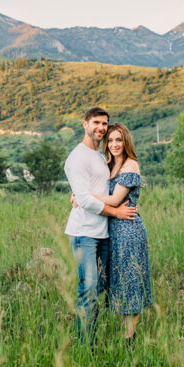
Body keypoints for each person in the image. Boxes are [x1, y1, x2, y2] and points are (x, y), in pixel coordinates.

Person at [64, 107, 137, 343]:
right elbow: (84, 198)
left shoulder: (100, 156)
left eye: (104, 123)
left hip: (103, 233)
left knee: (101, 289)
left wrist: (79, 195)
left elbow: (93, 192)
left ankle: (93, 335)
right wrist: (115, 210)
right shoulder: (78, 157)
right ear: (84, 124)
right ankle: (86, 346)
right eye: (96, 122)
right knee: (88, 290)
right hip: (84, 233)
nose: (101, 128)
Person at [84, 123, 152, 340]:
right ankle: (126, 335)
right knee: (121, 282)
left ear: (126, 142)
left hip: (129, 230)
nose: (114, 144)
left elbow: (114, 199)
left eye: (118, 140)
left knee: (131, 281)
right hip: (113, 230)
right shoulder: (109, 165)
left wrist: (83, 197)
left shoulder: (130, 165)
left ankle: (129, 339)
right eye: (110, 140)